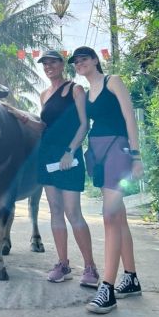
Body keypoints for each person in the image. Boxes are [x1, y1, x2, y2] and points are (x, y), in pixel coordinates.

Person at [70, 46, 144, 314]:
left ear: (95, 61)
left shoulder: (114, 81)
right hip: (98, 152)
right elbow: (82, 125)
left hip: (118, 149)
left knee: (110, 216)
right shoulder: (86, 93)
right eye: (76, 61)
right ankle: (131, 277)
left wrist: (136, 156)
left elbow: (129, 118)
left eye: (84, 59)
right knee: (119, 216)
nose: (80, 63)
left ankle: (108, 289)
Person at [35, 50, 99, 288]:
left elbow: (84, 124)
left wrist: (70, 151)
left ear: (62, 64)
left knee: (73, 212)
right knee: (54, 210)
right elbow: (45, 126)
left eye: (53, 62)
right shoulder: (43, 95)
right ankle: (63, 264)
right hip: (47, 156)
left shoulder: (75, 89)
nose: (49, 66)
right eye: (45, 63)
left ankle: (90, 266)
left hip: (68, 156)